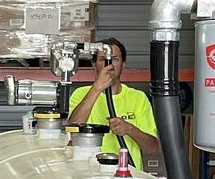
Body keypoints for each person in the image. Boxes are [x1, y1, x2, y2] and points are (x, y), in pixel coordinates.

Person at [67, 38, 160, 169]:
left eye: (115, 59)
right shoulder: (81, 94)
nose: (109, 64)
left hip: (126, 175)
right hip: (88, 174)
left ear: (123, 64)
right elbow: (73, 131)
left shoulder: (138, 98)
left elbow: (153, 149)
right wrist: (97, 88)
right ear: (94, 64)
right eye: (102, 59)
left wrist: (130, 129)